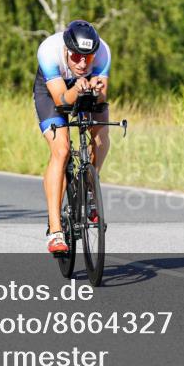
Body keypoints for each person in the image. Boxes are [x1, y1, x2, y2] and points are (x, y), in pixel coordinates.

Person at [33, 20, 111, 254]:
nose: (82, 63)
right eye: (76, 57)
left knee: (102, 134)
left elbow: (102, 95)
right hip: (53, 92)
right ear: (66, 50)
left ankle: (89, 189)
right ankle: (55, 231)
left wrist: (96, 90)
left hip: (83, 89)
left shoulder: (103, 52)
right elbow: (60, 101)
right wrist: (76, 89)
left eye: (87, 58)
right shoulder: (48, 50)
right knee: (62, 150)